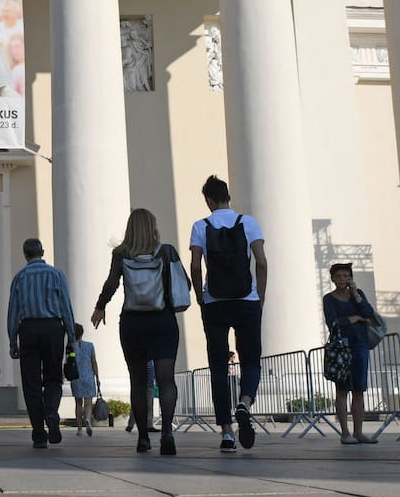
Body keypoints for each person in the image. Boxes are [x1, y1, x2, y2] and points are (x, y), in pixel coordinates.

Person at [93, 208, 182, 455]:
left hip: (133, 323)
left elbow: (111, 283)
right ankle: (167, 432)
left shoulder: (121, 254)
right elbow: (181, 281)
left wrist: (100, 307)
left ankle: (143, 438)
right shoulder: (167, 252)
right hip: (163, 321)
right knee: (166, 380)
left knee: (139, 381)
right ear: (153, 226)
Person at [189, 175, 267, 454]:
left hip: (215, 302)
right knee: (251, 359)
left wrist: (200, 297)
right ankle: (245, 401)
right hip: (247, 299)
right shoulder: (249, 222)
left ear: (209, 200)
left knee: (218, 366)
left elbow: (196, 267)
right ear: (228, 197)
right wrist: (260, 297)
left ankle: (226, 433)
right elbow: (261, 261)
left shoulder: (201, 226)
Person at [6, 238, 75, 449]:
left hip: (29, 330)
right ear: (42, 252)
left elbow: (13, 312)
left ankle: (38, 433)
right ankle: (51, 412)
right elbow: (66, 307)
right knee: (53, 377)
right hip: (53, 328)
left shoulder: (19, 277)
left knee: (31, 382)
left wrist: (12, 340)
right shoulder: (56, 274)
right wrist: (71, 336)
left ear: (25, 254)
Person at [322, 262, 378, 446]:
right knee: (342, 389)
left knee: (359, 389)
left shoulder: (358, 295)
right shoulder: (329, 299)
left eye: (346, 276)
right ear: (332, 279)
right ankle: (345, 433)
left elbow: (369, 314)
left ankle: (359, 432)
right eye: (338, 276)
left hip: (360, 343)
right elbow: (333, 322)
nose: (342, 280)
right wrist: (353, 318)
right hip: (341, 346)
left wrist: (356, 295)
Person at [69, 324, 99, 437]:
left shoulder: (71, 346)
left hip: (76, 377)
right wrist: (97, 377)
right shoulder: (90, 346)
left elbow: (69, 361)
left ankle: (79, 429)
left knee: (78, 403)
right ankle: (87, 419)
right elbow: (94, 362)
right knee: (88, 402)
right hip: (89, 376)